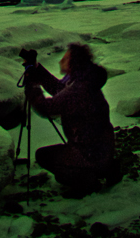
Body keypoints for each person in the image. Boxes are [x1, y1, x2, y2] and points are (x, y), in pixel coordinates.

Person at [21, 41, 117, 196]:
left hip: (88, 152)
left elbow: (46, 108)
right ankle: (105, 168)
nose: (60, 61)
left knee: (44, 156)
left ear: (74, 63)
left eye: (65, 59)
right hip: (100, 149)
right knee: (56, 155)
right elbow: (59, 90)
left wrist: (32, 86)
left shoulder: (79, 89)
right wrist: (36, 69)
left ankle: (87, 180)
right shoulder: (83, 81)